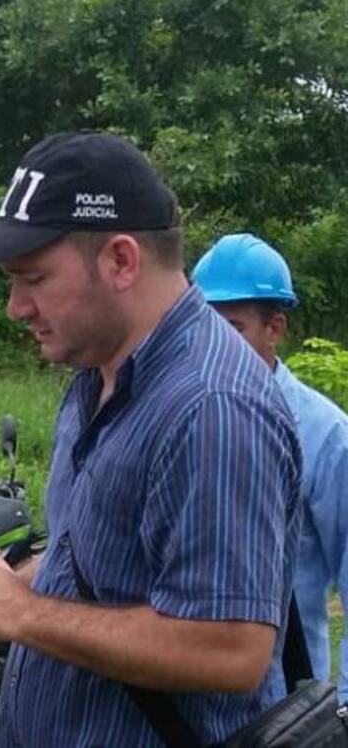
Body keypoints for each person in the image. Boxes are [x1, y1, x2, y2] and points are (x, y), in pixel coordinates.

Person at [0, 132, 301, 746]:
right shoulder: (97, 374)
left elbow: (231, 651)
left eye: (34, 278)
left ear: (121, 261)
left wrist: (20, 613)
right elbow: (98, 566)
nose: (15, 307)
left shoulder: (212, 408)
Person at [193, 232, 348, 707]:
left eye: (232, 327)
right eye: (202, 326)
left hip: (280, 704)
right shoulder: (183, 417)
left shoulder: (326, 435)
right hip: (182, 692)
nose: (212, 345)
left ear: (274, 327)